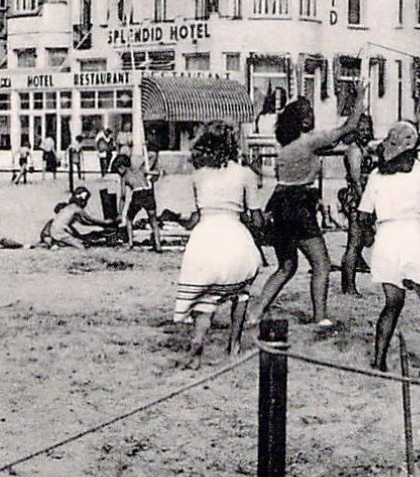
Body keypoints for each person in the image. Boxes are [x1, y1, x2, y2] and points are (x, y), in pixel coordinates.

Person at [245, 98, 362, 333]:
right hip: (299, 205)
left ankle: (255, 312)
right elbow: (349, 127)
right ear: (301, 121)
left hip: (279, 203)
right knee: (322, 264)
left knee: (286, 266)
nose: (312, 116)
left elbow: (331, 145)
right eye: (308, 114)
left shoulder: (286, 147)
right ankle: (320, 316)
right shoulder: (310, 141)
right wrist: (359, 96)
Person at [362, 121, 420, 379]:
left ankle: (378, 360)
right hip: (413, 239)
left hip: (386, 241)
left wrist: (372, 241)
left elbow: (361, 216)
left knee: (392, 303)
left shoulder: (377, 175)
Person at [174, 122, 264, 367]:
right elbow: (255, 218)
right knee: (242, 293)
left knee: (205, 297)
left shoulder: (198, 176)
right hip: (234, 235)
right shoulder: (246, 174)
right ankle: (233, 346)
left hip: (204, 237)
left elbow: (193, 220)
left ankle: (198, 339)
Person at [339, 113, 378, 297]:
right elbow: (355, 179)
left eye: (367, 129)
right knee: (354, 244)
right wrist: (365, 205)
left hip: (365, 197)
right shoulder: (354, 150)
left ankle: (349, 280)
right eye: (360, 129)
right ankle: (349, 287)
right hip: (358, 199)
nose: (364, 133)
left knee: (362, 241)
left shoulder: (365, 148)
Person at [42, 186, 123, 248]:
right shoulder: (77, 209)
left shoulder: (69, 207)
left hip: (55, 231)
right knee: (81, 246)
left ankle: (57, 243)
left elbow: (84, 222)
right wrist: (106, 222)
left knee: (73, 241)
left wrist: (100, 225)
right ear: (82, 200)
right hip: (61, 232)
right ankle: (58, 244)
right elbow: (90, 219)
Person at [113, 153, 162, 251]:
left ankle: (130, 243)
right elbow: (156, 173)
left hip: (138, 195)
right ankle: (158, 244)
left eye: (118, 170)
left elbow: (123, 196)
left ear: (122, 167)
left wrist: (120, 213)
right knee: (153, 220)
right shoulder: (139, 170)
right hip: (148, 193)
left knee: (129, 219)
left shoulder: (124, 177)